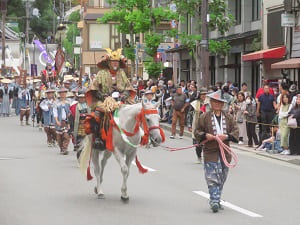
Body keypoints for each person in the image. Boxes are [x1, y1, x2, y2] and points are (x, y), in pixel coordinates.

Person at [194, 90, 239, 213]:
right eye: (215, 102)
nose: (217, 104)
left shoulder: (229, 117)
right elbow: (197, 131)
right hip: (210, 150)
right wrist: (205, 135)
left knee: (222, 175)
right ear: (211, 103)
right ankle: (214, 200)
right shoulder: (204, 117)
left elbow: (235, 131)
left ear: (223, 104)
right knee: (212, 175)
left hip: (224, 149)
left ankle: (217, 199)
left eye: (220, 102)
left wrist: (227, 136)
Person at [190, 87, 208, 162]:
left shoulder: (209, 103)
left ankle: (207, 157)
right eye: (202, 94)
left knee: (207, 142)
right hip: (197, 124)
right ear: (199, 95)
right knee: (198, 143)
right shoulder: (195, 103)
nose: (204, 96)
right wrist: (189, 124)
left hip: (207, 125)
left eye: (205, 94)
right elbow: (190, 113)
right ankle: (199, 156)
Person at [53, 88, 71, 155]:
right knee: (59, 137)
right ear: (59, 94)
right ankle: (61, 148)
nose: (63, 94)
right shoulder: (56, 103)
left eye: (64, 93)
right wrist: (56, 120)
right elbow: (54, 112)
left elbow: (72, 110)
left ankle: (65, 148)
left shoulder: (69, 102)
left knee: (66, 135)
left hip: (67, 121)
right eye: (61, 93)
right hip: (60, 121)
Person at [73, 90, 90, 158]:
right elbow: (75, 119)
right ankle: (79, 157)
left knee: (88, 143)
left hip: (87, 125)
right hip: (80, 126)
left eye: (83, 97)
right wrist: (75, 131)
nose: (82, 99)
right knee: (80, 142)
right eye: (80, 98)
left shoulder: (88, 105)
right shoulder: (76, 106)